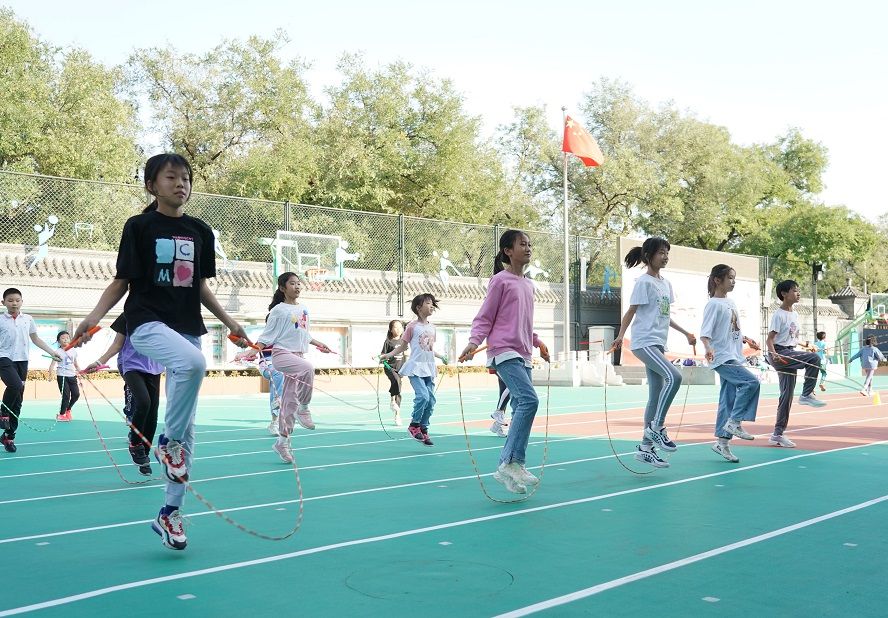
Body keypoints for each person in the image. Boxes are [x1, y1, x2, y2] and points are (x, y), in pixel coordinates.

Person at [73, 153, 248, 551]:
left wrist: (230, 322)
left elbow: (200, 287)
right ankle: (167, 442)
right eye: (171, 177)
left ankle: (170, 512)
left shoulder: (200, 231)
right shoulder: (139, 226)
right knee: (194, 364)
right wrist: (92, 318)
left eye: (186, 178)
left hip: (187, 324)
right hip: (147, 321)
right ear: (152, 185)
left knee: (189, 429)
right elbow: (122, 281)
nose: (181, 184)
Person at [460, 230, 550, 494]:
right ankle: (512, 461)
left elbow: (524, 321)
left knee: (521, 406)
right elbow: (485, 316)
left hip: (524, 353)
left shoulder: (528, 285)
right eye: (522, 244)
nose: (528, 248)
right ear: (508, 251)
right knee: (529, 401)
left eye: (530, 244)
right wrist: (474, 342)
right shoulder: (500, 281)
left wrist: (538, 342)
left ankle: (508, 470)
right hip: (504, 351)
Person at [612, 238, 696, 469]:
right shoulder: (644, 282)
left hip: (657, 343)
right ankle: (656, 426)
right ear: (649, 256)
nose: (665, 257)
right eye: (661, 253)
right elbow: (631, 311)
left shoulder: (666, 284)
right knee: (674, 377)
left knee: (656, 395)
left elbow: (664, 315)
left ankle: (646, 448)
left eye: (667, 253)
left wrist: (686, 333)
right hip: (644, 342)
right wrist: (620, 335)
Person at [241, 272, 333, 463]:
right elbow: (267, 336)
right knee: (308, 368)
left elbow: (303, 333)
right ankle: (304, 408)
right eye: (292, 283)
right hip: (282, 355)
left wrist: (319, 344)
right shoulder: (278, 310)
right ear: (283, 288)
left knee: (289, 402)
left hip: (297, 355)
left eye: (299, 283)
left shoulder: (304, 309)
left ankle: (282, 442)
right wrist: (252, 351)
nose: (297, 286)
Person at [86, 314, 165, 476]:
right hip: (131, 365)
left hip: (154, 367)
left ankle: (144, 456)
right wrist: (99, 362)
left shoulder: (162, 315)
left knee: (152, 414)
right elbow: (117, 344)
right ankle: (135, 444)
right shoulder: (128, 316)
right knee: (144, 403)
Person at [700, 265, 761, 463]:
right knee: (751, 383)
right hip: (722, 357)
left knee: (728, 399)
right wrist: (708, 348)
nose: (733, 282)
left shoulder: (731, 302)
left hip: (734, 354)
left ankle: (722, 443)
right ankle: (734, 422)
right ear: (718, 280)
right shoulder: (713, 304)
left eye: (734, 278)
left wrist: (746, 339)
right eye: (730, 278)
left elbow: (731, 330)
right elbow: (705, 333)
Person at [0, 288, 63, 452]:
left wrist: (52, 352)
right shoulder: (0, 320)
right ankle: (3, 412)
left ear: (22, 302)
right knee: (15, 385)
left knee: (18, 402)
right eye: (10, 300)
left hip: (22, 361)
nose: (14, 303)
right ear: (3, 302)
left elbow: (35, 339)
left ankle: (9, 437)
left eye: (17, 300)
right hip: (4, 358)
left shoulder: (28, 319)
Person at [381, 294, 448, 447]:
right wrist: (388, 355)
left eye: (432, 303)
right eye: (428, 303)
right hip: (415, 368)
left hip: (429, 367)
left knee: (431, 401)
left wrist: (441, 356)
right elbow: (403, 346)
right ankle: (414, 425)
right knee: (423, 396)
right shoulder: (412, 327)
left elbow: (429, 348)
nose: (431, 306)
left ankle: (423, 428)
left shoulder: (432, 327)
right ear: (418, 308)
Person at [766, 279, 826, 449]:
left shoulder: (795, 314)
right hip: (780, 354)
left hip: (789, 351)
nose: (798, 293)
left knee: (786, 396)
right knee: (814, 359)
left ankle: (777, 434)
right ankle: (806, 394)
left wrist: (807, 345)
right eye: (794, 290)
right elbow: (770, 339)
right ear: (784, 294)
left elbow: (791, 337)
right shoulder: (778, 315)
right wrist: (774, 354)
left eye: (799, 290)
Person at [48, 331, 81, 421]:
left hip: (72, 375)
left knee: (76, 395)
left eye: (67, 338)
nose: (65, 339)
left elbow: (76, 364)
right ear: (59, 341)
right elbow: (52, 365)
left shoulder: (73, 351)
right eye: (63, 338)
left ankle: (68, 409)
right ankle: (61, 414)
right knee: (66, 396)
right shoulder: (57, 352)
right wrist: (50, 375)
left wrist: (80, 372)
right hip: (62, 376)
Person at [380, 319, 406, 426]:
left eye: (400, 327)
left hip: (400, 369)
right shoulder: (388, 342)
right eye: (395, 327)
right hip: (389, 368)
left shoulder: (404, 341)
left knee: (398, 390)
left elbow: (407, 354)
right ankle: (392, 401)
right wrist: (381, 358)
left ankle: (397, 415)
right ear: (391, 329)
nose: (398, 329)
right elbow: (383, 355)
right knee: (395, 380)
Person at [257, 349, 285, 435]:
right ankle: (275, 422)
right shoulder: (264, 341)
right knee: (278, 373)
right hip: (268, 366)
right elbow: (253, 350)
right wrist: (246, 354)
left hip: (283, 364)